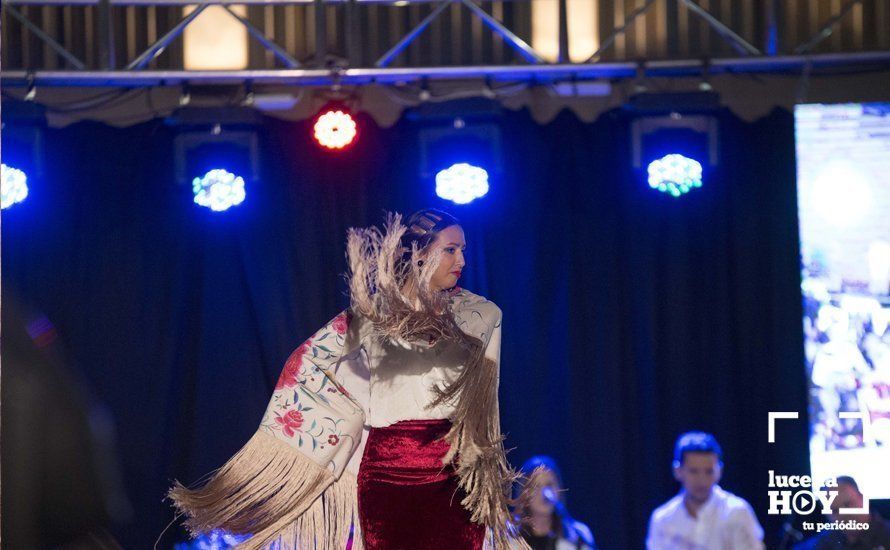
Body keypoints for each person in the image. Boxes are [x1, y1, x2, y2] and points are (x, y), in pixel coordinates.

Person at [169, 208, 528, 549]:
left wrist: (484, 464)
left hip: (454, 471)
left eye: (462, 250)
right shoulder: (371, 316)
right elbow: (314, 365)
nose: (461, 260)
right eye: (450, 249)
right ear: (419, 253)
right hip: (389, 471)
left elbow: (485, 401)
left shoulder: (480, 316)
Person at [646, 431, 764, 550]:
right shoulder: (662, 519)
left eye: (709, 471)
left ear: (719, 471)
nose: (702, 480)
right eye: (693, 471)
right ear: (678, 471)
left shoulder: (737, 512)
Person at [513, 455, 595, 550]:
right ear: (524, 492)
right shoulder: (508, 535)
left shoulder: (578, 535)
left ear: (559, 489)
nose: (545, 493)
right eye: (536, 486)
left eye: (549, 485)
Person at [802, 475, 890, 549]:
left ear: (863, 499)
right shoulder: (823, 541)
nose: (843, 514)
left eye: (848, 505)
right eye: (835, 510)